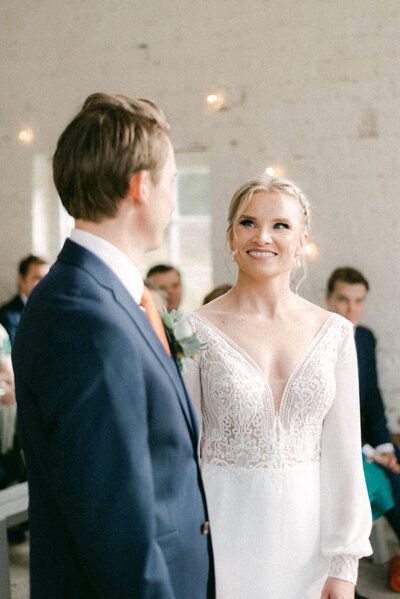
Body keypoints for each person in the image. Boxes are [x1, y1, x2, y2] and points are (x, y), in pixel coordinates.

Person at [12, 93, 214, 599]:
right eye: (171, 182)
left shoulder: (103, 295)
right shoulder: (82, 317)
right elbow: (113, 523)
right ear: (141, 186)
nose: (173, 199)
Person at [183, 176, 372, 599]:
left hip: (308, 552)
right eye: (248, 223)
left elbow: (344, 455)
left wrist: (344, 563)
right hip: (220, 542)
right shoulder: (192, 331)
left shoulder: (337, 334)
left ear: (302, 240)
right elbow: (182, 449)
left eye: (280, 226)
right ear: (231, 236)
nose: (262, 236)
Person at [326, 267, 400, 542]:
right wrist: (371, 453)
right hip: (334, 442)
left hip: (365, 437)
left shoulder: (365, 338)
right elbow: (327, 416)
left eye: (359, 301)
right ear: (328, 299)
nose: (351, 309)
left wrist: (385, 447)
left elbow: (372, 401)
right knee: (390, 480)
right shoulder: (318, 340)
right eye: (344, 299)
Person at [0, 254, 50, 344]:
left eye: (47, 279)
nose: (44, 283)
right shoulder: (7, 315)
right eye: (37, 278)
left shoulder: (55, 309)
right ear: (21, 279)